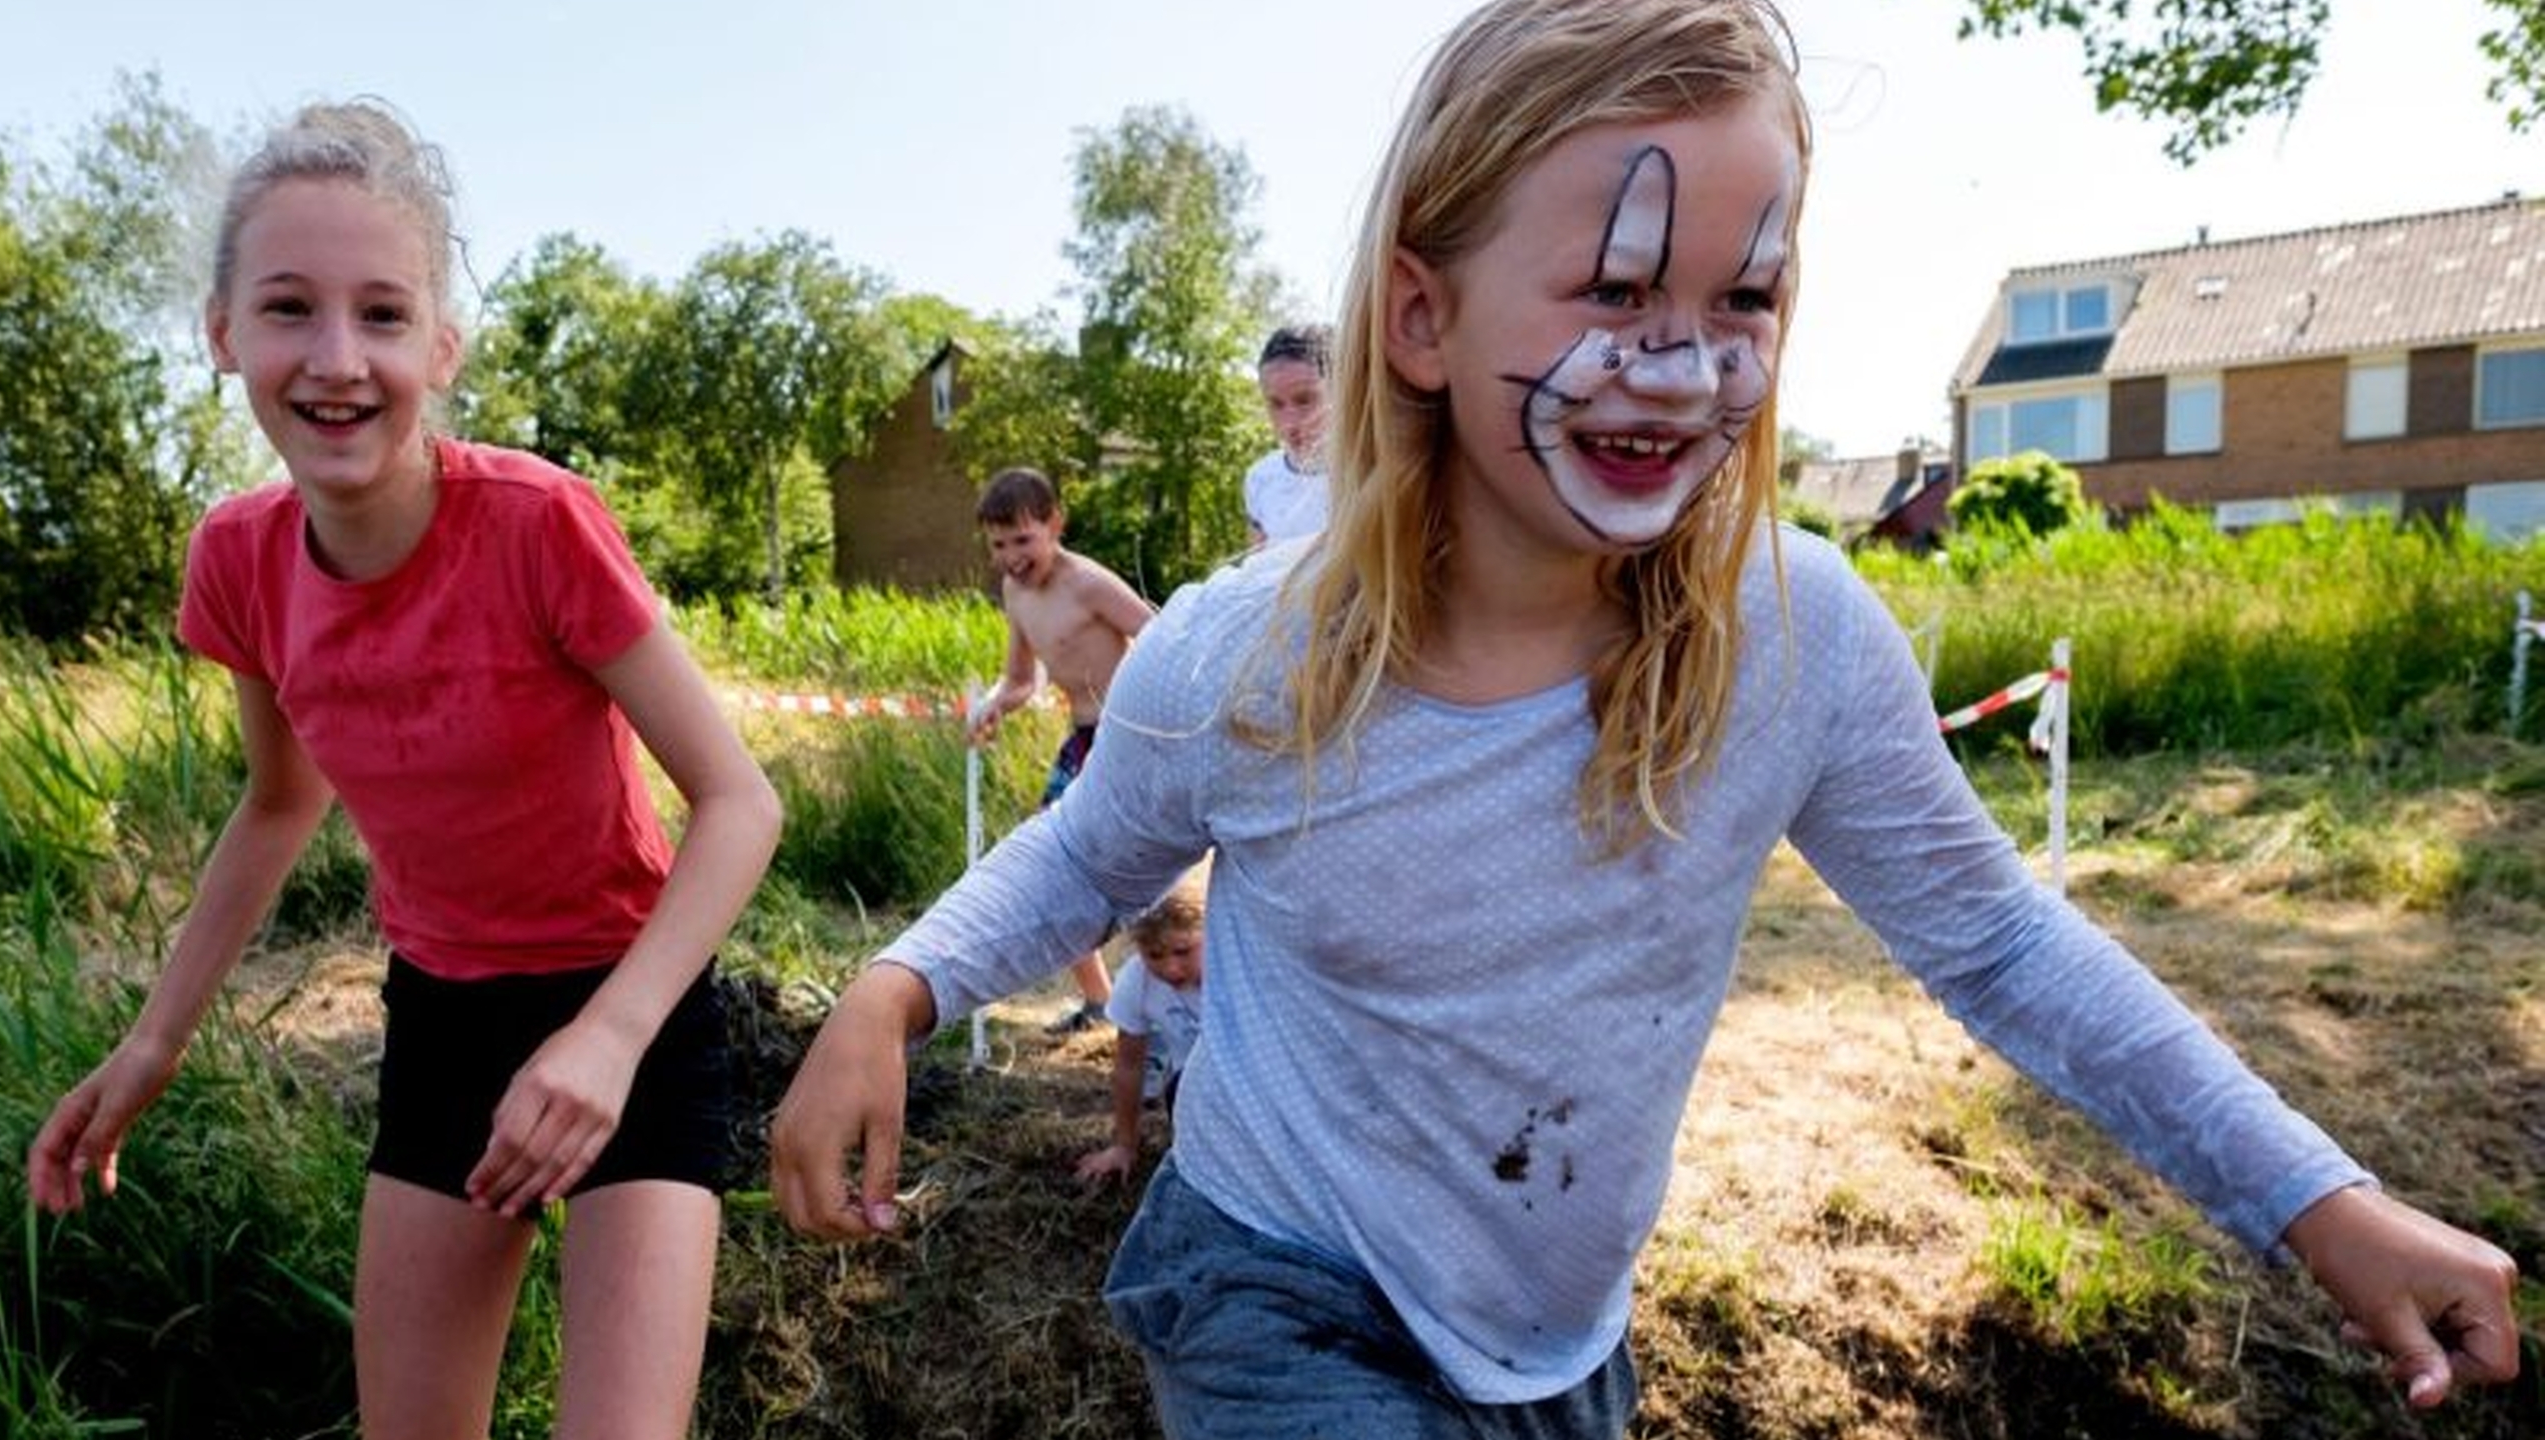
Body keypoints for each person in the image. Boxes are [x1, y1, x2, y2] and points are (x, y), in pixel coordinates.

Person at [769, 0, 2522, 1433]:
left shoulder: (1796, 639)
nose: (1681, 367)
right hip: (1271, 1286)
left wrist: (2318, 1199)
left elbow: (2002, 944)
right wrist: (893, 990)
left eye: (1739, 298)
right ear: (1421, 317)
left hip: (1556, 1348)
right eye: (1613, 293)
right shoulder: (1248, 658)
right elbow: (1087, 857)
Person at [23, 101, 782, 1440]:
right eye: (287, 309)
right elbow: (278, 802)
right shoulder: (238, 563)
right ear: (222, 337)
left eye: (381, 315)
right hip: (444, 1019)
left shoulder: (539, 524)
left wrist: (605, 1040)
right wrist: (151, 1047)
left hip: (634, 1008)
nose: (336, 358)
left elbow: (739, 802)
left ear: (442, 344)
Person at [964, 466, 1158, 1034]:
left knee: (1144, 869)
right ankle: (1101, 1002)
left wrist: (1148, 713)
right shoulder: (1014, 592)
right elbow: (1022, 678)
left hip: (1130, 734)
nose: (1012, 557)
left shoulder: (1089, 582)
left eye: (1023, 540)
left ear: (1055, 525)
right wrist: (996, 705)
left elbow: (1157, 633)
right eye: (999, 545)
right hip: (1081, 740)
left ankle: (1167, 1000)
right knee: (1058, 863)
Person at [1074, 862, 1209, 1189]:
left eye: (1183, 951)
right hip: (1193, 1092)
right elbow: (1129, 1066)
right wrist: (1124, 1145)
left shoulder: (1236, 965)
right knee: (1182, 1087)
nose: (1172, 968)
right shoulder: (1137, 981)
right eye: (1155, 955)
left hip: (1257, 1084)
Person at [1241, 324, 1333, 548]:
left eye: (1304, 400)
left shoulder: (1378, 474)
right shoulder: (1260, 478)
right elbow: (1257, 571)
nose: (1289, 423)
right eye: (1276, 404)